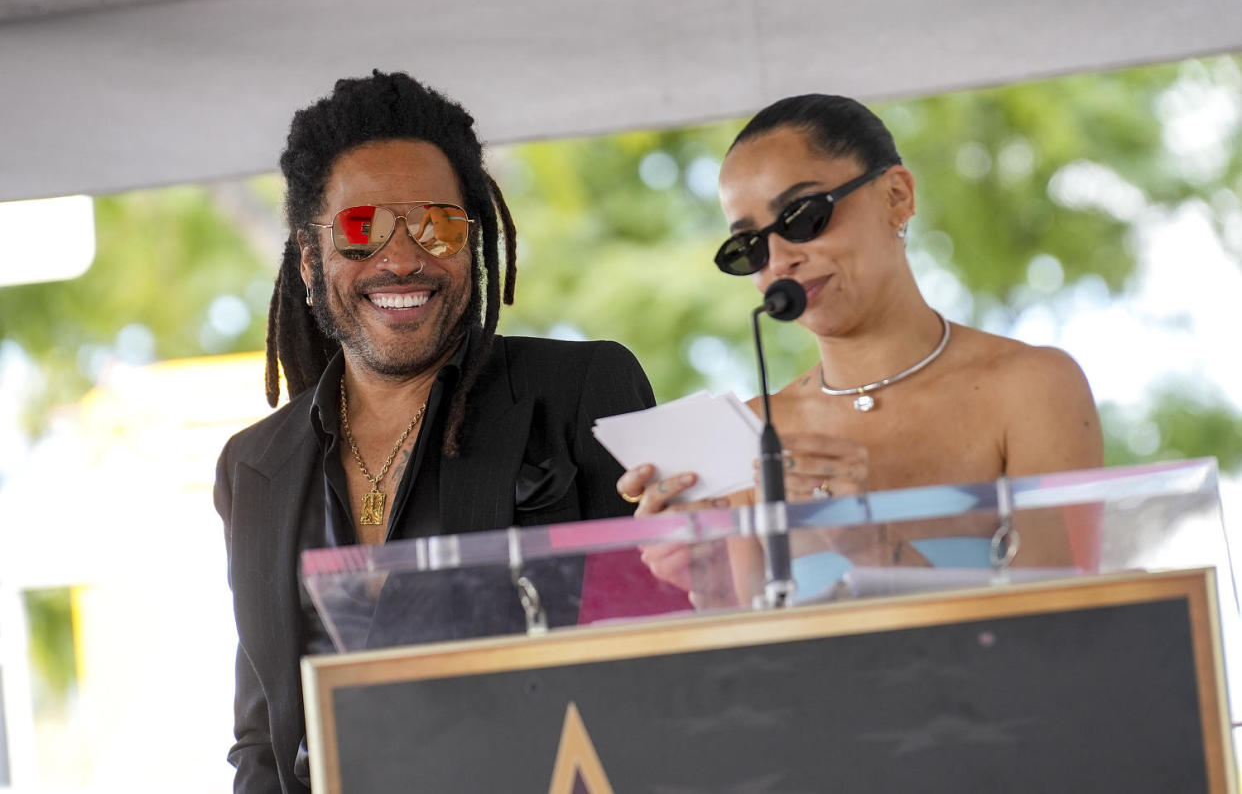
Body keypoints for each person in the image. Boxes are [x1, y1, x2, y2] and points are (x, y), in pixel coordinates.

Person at [214, 71, 654, 794]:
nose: (401, 258)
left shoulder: (582, 392)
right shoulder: (253, 466)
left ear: (471, 242)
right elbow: (264, 735)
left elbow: (655, 660)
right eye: (361, 230)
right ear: (307, 258)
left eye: (437, 224)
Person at [618, 94, 1103, 590]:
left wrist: (868, 543)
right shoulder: (752, 433)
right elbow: (752, 644)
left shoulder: (1031, 387)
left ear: (897, 196)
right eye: (750, 246)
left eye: (802, 217)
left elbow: (1060, 627)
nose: (780, 260)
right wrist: (706, 578)